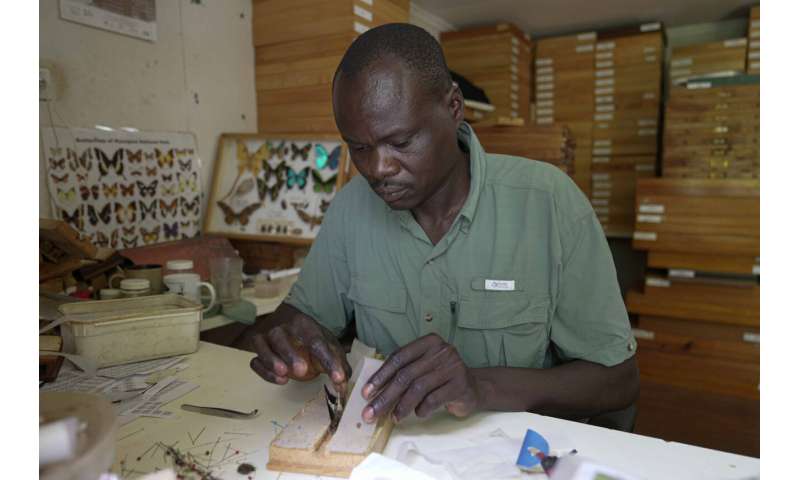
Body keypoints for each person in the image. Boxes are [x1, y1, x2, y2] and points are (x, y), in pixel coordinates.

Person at [245, 23, 639, 425]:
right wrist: (291, 344)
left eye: (401, 143)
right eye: (360, 147)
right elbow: (299, 319)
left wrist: (480, 386)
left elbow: (619, 381)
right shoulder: (351, 208)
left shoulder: (549, 203)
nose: (378, 168)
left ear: (453, 108)